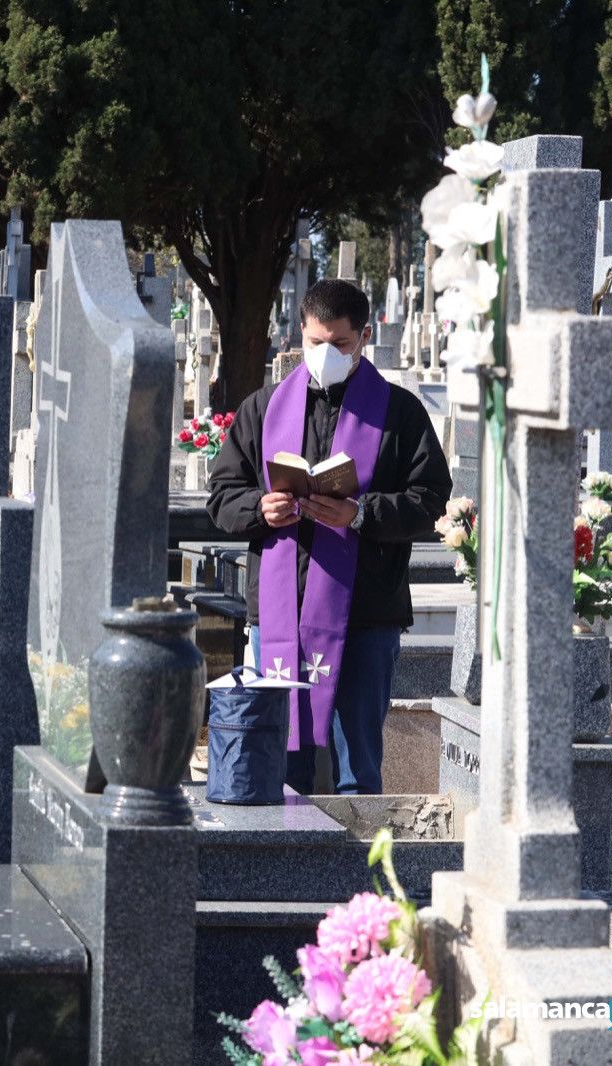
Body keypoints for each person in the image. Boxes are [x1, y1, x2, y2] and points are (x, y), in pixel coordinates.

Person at [207, 279, 450, 795]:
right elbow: (222, 495)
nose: (324, 354)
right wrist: (260, 506)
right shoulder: (264, 407)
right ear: (301, 333)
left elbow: (430, 499)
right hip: (278, 613)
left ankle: (360, 876)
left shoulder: (400, 413)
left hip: (365, 613)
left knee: (356, 768)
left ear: (363, 336)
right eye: (315, 342)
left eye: (338, 344)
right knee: (274, 761)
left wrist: (358, 514)